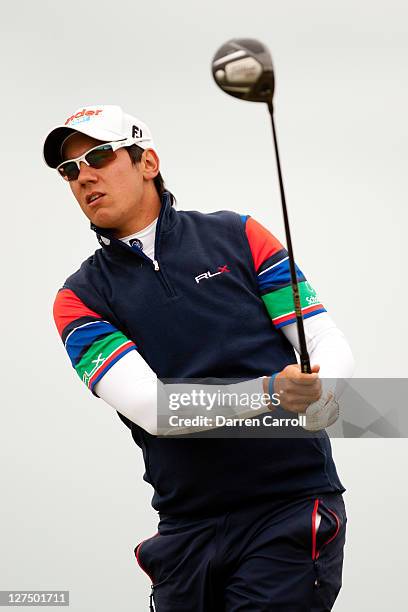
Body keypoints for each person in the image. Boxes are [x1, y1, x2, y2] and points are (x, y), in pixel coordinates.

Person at [43, 104, 355, 611]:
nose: (84, 176)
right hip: (185, 531)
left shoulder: (239, 235)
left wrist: (325, 390)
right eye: (69, 170)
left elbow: (322, 337)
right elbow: (155, 410)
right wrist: (274, 391)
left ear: (148, 161)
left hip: (289, 510)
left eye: (99, 155)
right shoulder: (78, 297)